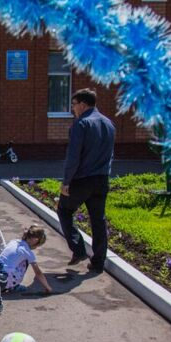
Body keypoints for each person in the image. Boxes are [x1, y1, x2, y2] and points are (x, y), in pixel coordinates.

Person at [56, 88, 115, 273]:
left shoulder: (81, 124)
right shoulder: (109, 124)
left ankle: (79, 249)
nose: (73, 109)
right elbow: (110, 154)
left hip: (81, 179)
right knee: (98, 221)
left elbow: (73, 157)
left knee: (64, 210)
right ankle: (97, 264)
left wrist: (66, 181)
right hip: (102, 179)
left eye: (73, 105)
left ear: (82, 104)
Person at [0, 225, 53, 294]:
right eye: (38, 244)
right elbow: (38, 273)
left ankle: (4, 285)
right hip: (4, 280)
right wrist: (48, 288)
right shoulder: (27, 252)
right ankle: (13, 286)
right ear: (35, 240)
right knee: (26, 261)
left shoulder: (14, 241)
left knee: (15, 260)